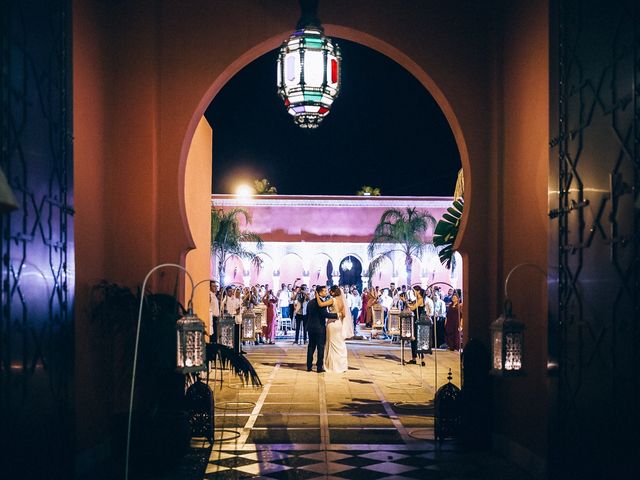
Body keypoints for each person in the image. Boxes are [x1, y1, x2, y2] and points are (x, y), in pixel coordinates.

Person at [316, 285, 353, 373]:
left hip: (332, 323)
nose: (329, 292)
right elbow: (344, 315)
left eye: (330, 291)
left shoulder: (333, 300)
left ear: (333, 292)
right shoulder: (342, 301)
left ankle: (332, 366)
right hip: (339, 323)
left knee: (331, 344)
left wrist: (317, 295)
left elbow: (320, 304)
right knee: (339, 343)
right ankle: (341, 365)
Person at [306, 285, 338, 373]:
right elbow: (325, 315)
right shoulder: (321, 303)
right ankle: (319, 367)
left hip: (311, 327)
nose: (326, 292)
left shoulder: (310, 302)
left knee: (311, 346)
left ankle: (309, 366)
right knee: (320, 347)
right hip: (319, 328)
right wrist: (337, 315)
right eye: (324, 291)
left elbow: (307, 315)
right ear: (319, 292)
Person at [407, 286, 428, 365]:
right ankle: (414, 358)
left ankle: (422, 359)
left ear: (418, 291)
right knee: (414, 339)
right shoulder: (416, 300)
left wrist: (406, 303)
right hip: (415, 320)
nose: (413, 293)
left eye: (414, 291)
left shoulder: (420, 299)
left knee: (419, 339)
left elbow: (412, 308)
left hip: (419, 321)